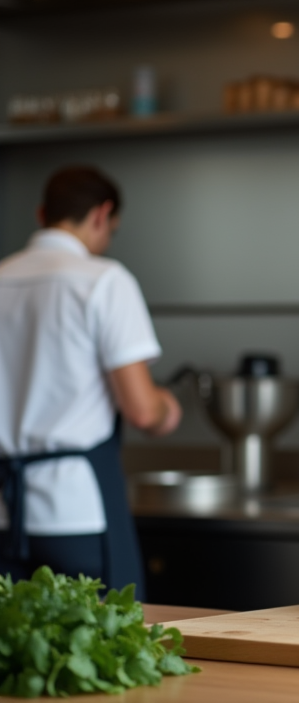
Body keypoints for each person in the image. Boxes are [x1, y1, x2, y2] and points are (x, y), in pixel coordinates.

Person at [0, 165, 181, 593]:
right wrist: (167, 408)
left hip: (4, 512)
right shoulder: (104, 281)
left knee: (12, 654)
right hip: (76, 511)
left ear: (43, 213)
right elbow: (140, 409)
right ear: (101, 215)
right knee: (105, 647)